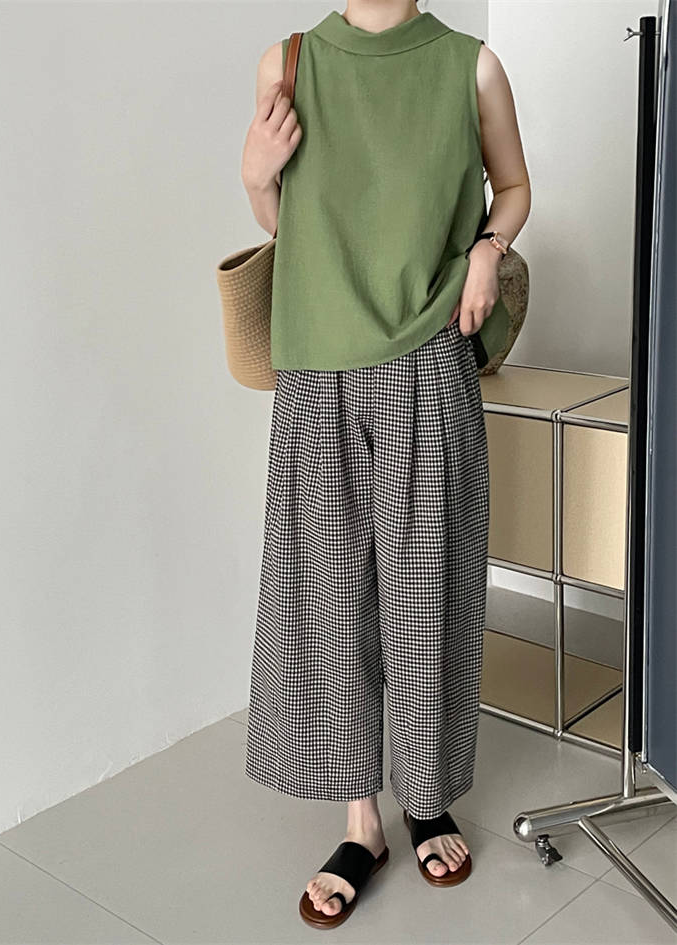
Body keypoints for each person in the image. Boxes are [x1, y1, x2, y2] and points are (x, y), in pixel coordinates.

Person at [240, 0, 531, 929]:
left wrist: (488, 248)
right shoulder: (288, 63)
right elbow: (286, 224)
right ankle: (360, 821)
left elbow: (514, 186)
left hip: (428, 355)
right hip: (316, 365)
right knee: (330, 598)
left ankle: (427, 796)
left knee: (428, 591)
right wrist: (255, 176)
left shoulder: (469, 65)